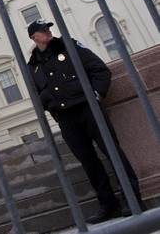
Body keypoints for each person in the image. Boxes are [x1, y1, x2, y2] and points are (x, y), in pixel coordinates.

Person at [26, 19, 145, 224]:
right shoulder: (33, 66)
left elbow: (99, 69)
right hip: (65, 117)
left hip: (87, 108)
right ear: (34, 37)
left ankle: (132, 198)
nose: (47, 31)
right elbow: (37, 94)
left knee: (112, 151)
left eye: (48, 28)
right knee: (88, 162)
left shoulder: (70, 46)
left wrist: (96, 94)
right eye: (42, 30)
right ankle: (108, 204)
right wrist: (51, 108)